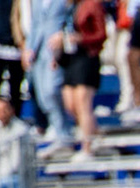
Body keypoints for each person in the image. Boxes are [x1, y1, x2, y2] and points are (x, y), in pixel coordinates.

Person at [58, 0, 105, 155]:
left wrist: (81, 38)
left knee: (82, 103)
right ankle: (95, 133)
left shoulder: (92, 4)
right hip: (70, 58)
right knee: (70, 104)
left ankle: (87, 148)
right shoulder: (69, 8)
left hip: (87, 56)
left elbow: (101, 34)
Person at [23, 0, 70, 152]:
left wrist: (64, 36)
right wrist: (29, 48)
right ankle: (55, 127)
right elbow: (35, 24)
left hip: (55, 49)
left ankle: (64, 133)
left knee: (52, 91)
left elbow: (70, 17)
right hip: (38, 50)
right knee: (42, 95)